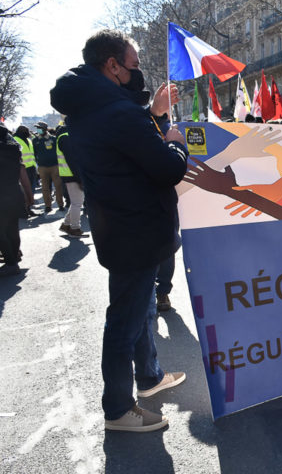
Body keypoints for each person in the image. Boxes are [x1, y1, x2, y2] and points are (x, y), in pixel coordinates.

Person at [50, 29, 189, 432]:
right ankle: (117, 410)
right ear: (112, 65)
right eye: (134, 64)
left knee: (139, 311)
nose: (138, 72)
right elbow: (166, 167)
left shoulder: (87, 110)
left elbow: (127, 152)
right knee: (124, 323)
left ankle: (149, 377)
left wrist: (155, 116)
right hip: (136, 231)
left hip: (119, 227)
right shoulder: (118, 113)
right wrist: (175, 142)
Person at [0, 122, 32, 276]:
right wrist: (29, 194)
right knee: (13, 229)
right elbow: (22, 173)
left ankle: (11, 263)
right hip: (14, 193)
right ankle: (14, 257)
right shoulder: (14, 149)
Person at [55, 124, 85, 238]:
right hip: (72, 175)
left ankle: (66, 225)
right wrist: (80, 178)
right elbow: (72, 160)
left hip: (69, 174)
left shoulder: (64, 136)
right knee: (77, 203)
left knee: (76, 202)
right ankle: (74, 228)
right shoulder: (66, 137)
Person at [32, 121, 64, 213]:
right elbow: (34, 153)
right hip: (42, 167)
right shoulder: (35, 140)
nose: (38, 129)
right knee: (45, 187)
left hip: (55, 166)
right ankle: (48, 206)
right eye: (37, 128)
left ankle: (60, 204)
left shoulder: (53, 139)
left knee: (58, 186)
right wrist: (37, 165)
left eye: (39, 128)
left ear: (44, 129)